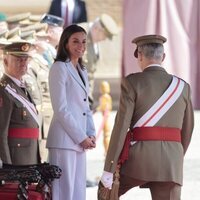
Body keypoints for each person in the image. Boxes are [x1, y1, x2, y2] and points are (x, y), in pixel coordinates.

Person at [99, 34, 194, 200]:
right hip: (170, 163)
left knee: (107, 191)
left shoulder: (132, 82)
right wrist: (175, 156)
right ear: (163, 57)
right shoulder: (183, 87)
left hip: (138, 161)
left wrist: (109, 168)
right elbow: (187, 129)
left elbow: (121, 127)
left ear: (140, 55)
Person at [46, 24, 96, 200]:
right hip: (64, 140)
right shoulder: (59, 68)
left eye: (83, 41)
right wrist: (81, 137)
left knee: (77, 191)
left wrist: (91, 133)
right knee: (63, 192)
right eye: (75, 41)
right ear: (65, 43)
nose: (80, 46)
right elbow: (60, 108)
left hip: (79, 140)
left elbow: (85, 107)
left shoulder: (82, 70)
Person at [0, 42, 41, 165]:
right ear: (6, 61)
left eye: (25, 59)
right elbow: (1, 133)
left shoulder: (22, 87)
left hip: (29, 153)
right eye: (18, 59)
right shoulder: (3, 90)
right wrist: (7, 166)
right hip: (16, 158)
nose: (23, 63)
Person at [79, 13, 118, 109]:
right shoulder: (78, 34)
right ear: (97, 29)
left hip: (84, 96)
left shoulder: (93, 41)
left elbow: (90, 74)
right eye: (104, 36)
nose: (104, 40)